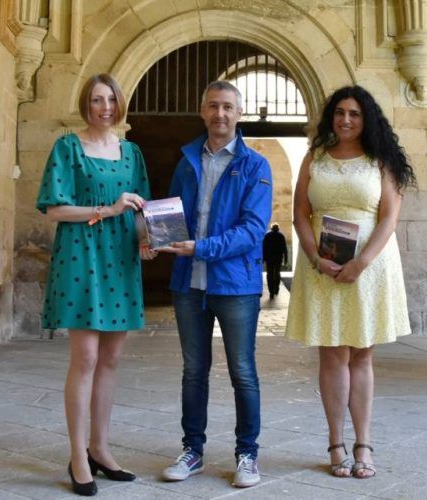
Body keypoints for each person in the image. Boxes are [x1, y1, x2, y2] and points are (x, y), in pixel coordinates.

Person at [35, 73, 157, 496]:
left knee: (111, 359)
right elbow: (53, 209)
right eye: (96, 100)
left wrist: (146, 237)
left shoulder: (132, 152)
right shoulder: (67, 147)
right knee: (85, 357)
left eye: (110, 100)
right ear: (86, 105)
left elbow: (142, 208)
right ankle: (77, 455)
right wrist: (107, 209)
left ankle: (101, 449)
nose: (104, 107)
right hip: (81, 256)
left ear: (119, 104)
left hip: (120, 258)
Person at [285, 85, 415, 479]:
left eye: (354, 114)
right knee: (331, 355)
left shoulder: (381, 161)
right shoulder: (315, 157)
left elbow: (390, 217)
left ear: (366, 119)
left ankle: (363, 443)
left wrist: (362, 262)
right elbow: (300, 213)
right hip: (323, 265)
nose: (345, 119)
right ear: (331, 117)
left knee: (361, 354)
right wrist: (314, 258)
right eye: (340, 112)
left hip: (369, 267)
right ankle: (335, 442)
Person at [157, 81, 273, 488]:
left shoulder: (256, 166)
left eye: (227, 107)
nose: (220, 114)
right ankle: (193, 450)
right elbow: (170, 214)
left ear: (238, 114)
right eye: (213, 106)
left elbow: (253, 230)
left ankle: (247, 454)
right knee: (194, 370)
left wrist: (201, 247)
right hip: (188, 283)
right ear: (202, 111)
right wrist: (153, 237)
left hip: (235, 285)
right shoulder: (187, 160)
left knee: (243, 371)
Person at [262, 223, 288, 299]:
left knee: (269, 274)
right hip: (278, 258)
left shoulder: (267, 236)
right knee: (277, 273)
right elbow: (284, 248)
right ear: (278, 228)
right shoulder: (281, 236)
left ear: (271, 228)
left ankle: (271, 291)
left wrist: (263, 258)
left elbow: (264, 248)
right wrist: (286, 259)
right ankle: (276, 288)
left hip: (269, 258)